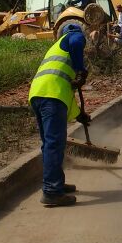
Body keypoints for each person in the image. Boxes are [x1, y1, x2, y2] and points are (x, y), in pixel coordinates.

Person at [28, 21, 89, 207]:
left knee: (50, 144)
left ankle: (56, 183)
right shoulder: (73, 35)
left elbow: (64, 90)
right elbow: (78, 42)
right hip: (51, 97)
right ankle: (52, 192)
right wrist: (81, 70)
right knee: (54, 144)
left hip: (39, 94)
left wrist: (79, 115)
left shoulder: (57, 50)